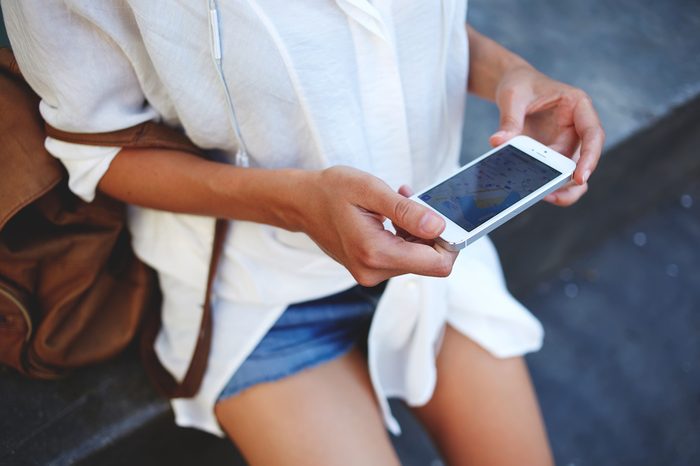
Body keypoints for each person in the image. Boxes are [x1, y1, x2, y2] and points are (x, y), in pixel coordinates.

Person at [3, 1, 603, 464]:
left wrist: (511, 73)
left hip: (438, 246)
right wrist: (297, 205)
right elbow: (96, 146)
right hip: (253, 285)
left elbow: (400, 29)